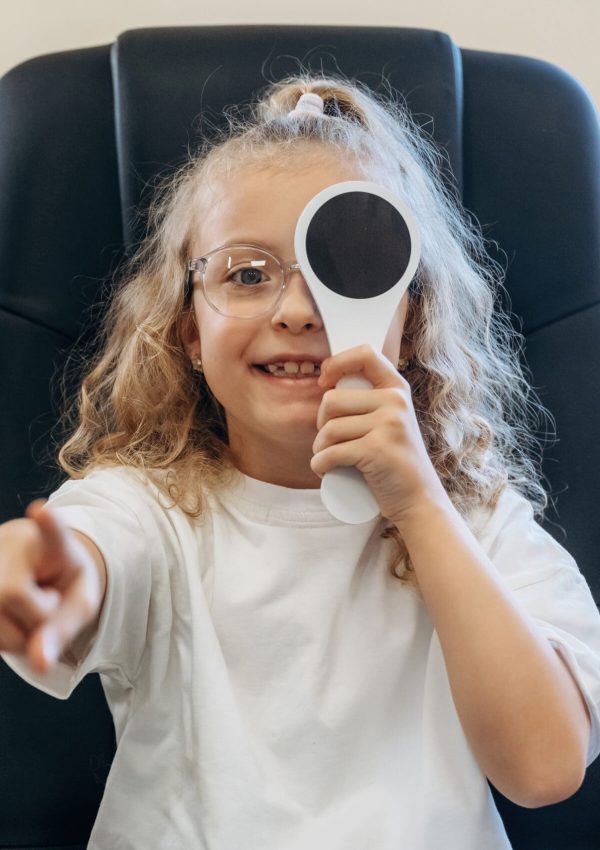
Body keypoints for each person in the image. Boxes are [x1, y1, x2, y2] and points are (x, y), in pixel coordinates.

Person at [1, 73, 599, 850]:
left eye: (346, 270)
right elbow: (85, 557)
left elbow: (545, 768)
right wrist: (48, 577)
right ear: (189, 331)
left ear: (410, 321)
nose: (295, 310)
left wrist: (420, 507)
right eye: (247, 275)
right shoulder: (150, 509)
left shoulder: (480, 524)